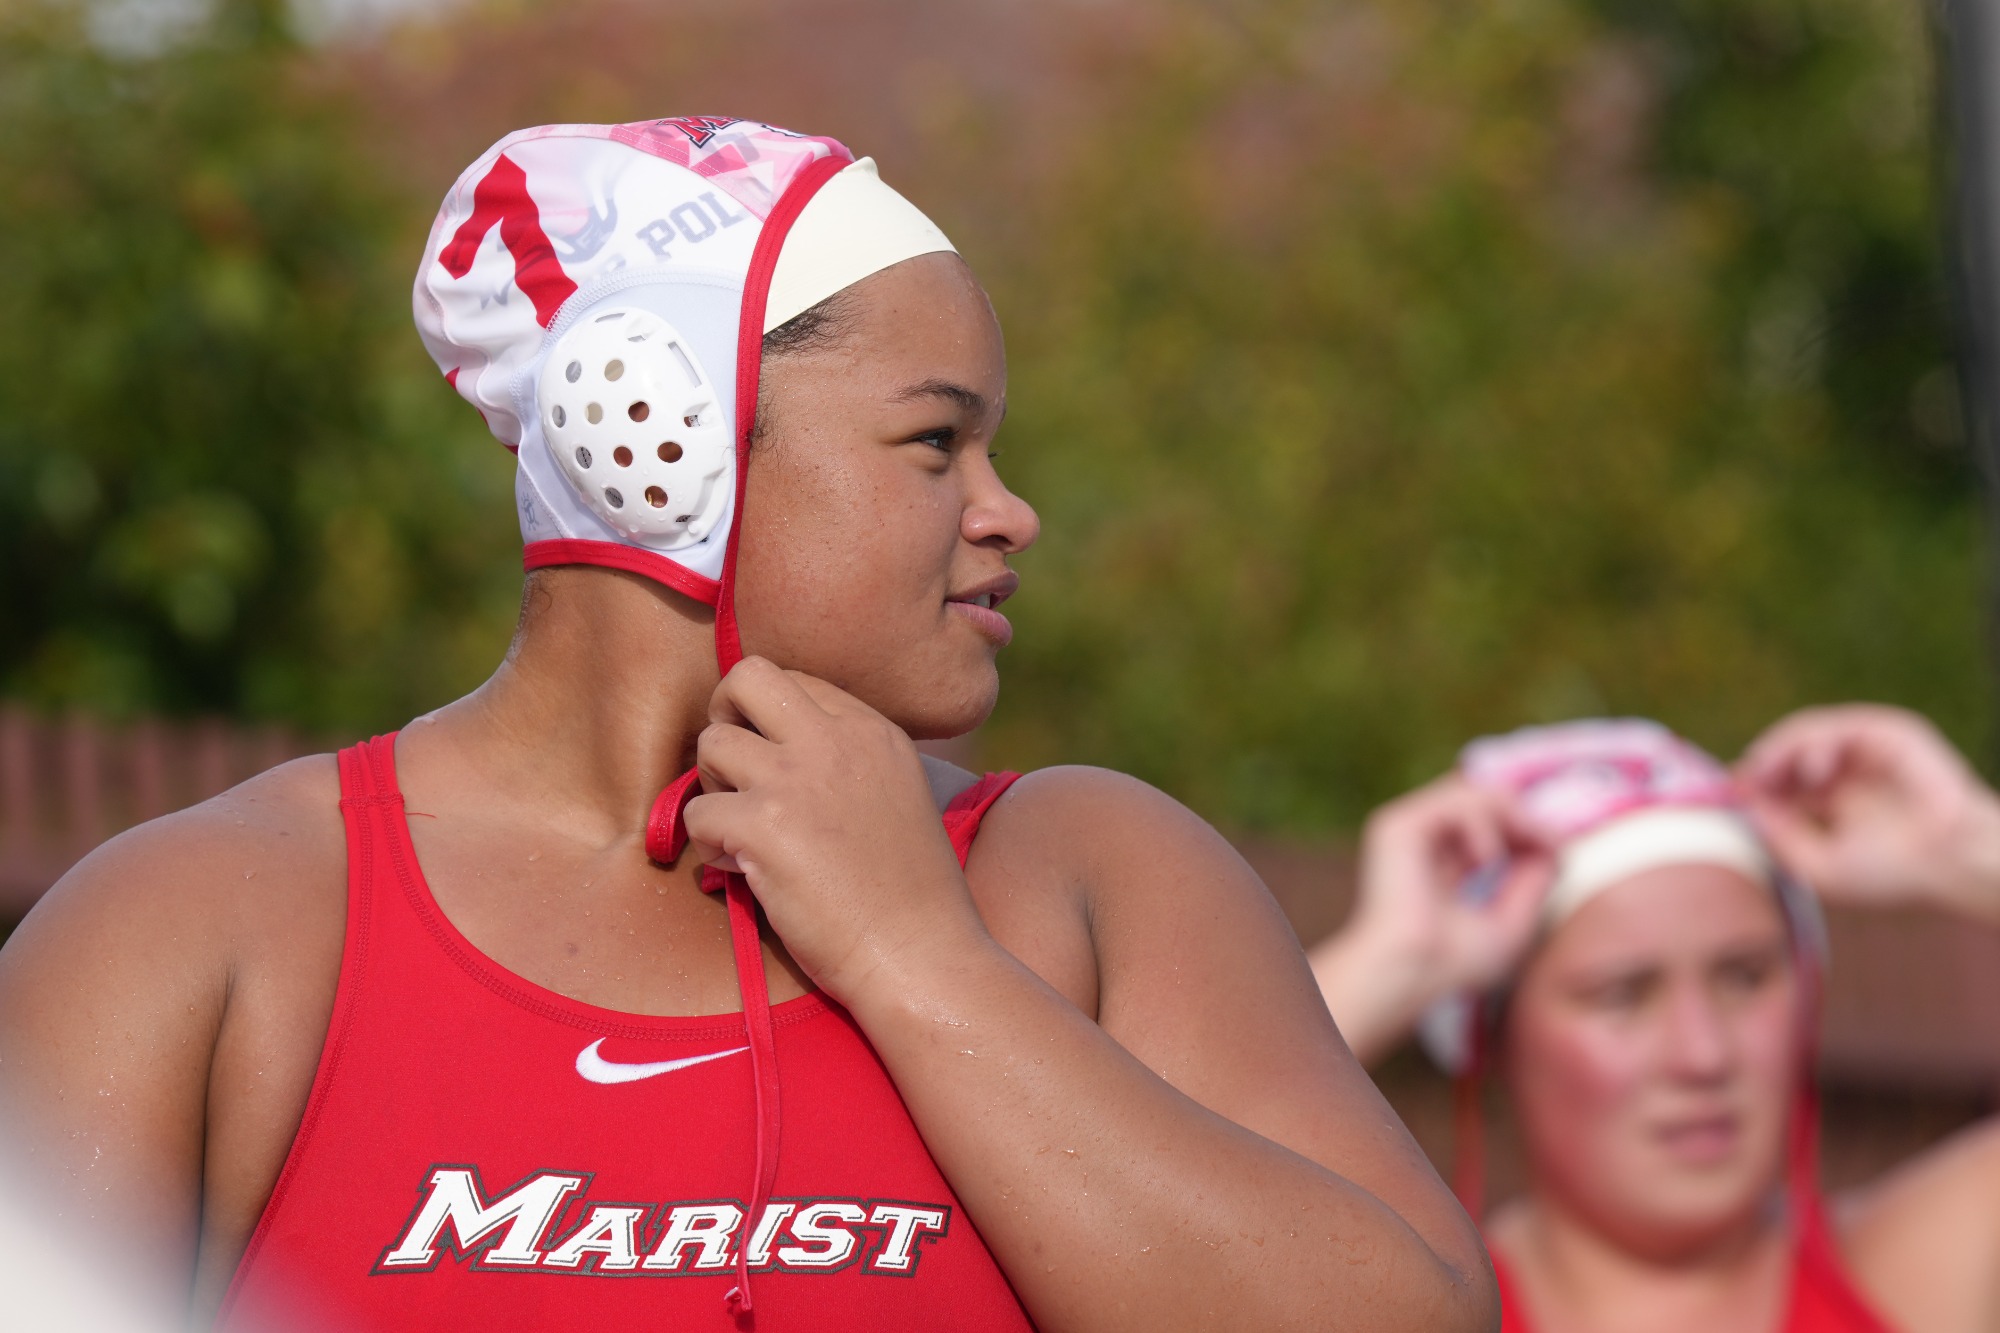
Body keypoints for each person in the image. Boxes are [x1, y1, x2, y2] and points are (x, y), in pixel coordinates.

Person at [0, 118, 1493, 1331]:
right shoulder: (211, 922)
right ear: (656, 437)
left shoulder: (1084, 872)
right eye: (936, 441)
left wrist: (920, 960)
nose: (1009, 509)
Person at [1311, 709, 2000, 1333]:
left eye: (1744, 977)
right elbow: (1201, 1163)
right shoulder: (1406, 1313)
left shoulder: (1924, 1276)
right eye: (1622, 994)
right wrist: (1388, 963)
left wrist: (1970, 845)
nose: (1702, 1054)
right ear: (1493, 1042)